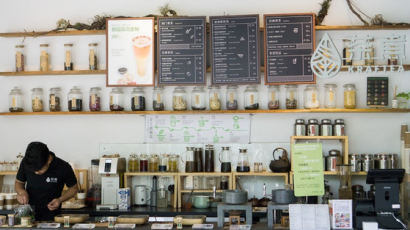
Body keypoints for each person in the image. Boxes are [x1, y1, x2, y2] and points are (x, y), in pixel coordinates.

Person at [15, 142, 78, 221]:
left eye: (39, 169)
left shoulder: (63, 167)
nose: (36, 173)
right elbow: (19, 183)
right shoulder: (26, 162)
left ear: (48, 160)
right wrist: (21, 192)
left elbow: (74, 188)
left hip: (52, 218)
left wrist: (60, 200)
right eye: (33, 170)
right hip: (28, 217)